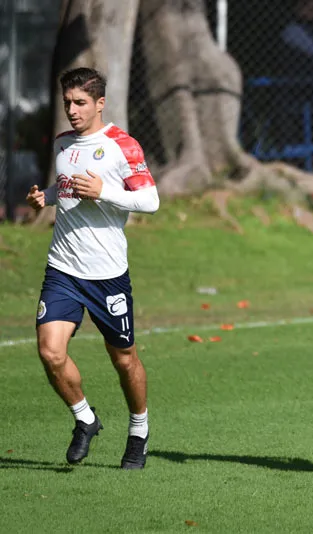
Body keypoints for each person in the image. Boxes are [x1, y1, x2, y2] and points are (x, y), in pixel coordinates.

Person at [26, 67, 159, 469]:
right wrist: (45, 197)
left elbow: (150, 200)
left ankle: (139, 430)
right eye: (67, 102)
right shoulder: (63, 143)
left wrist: (106, 192)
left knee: (124, 359)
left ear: (100, 103)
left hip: (107, 274)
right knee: (50, 352)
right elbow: (66, 187)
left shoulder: (122, 145)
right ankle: (86, 419)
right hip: (62, 268)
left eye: (80, 102)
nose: (72, 110)